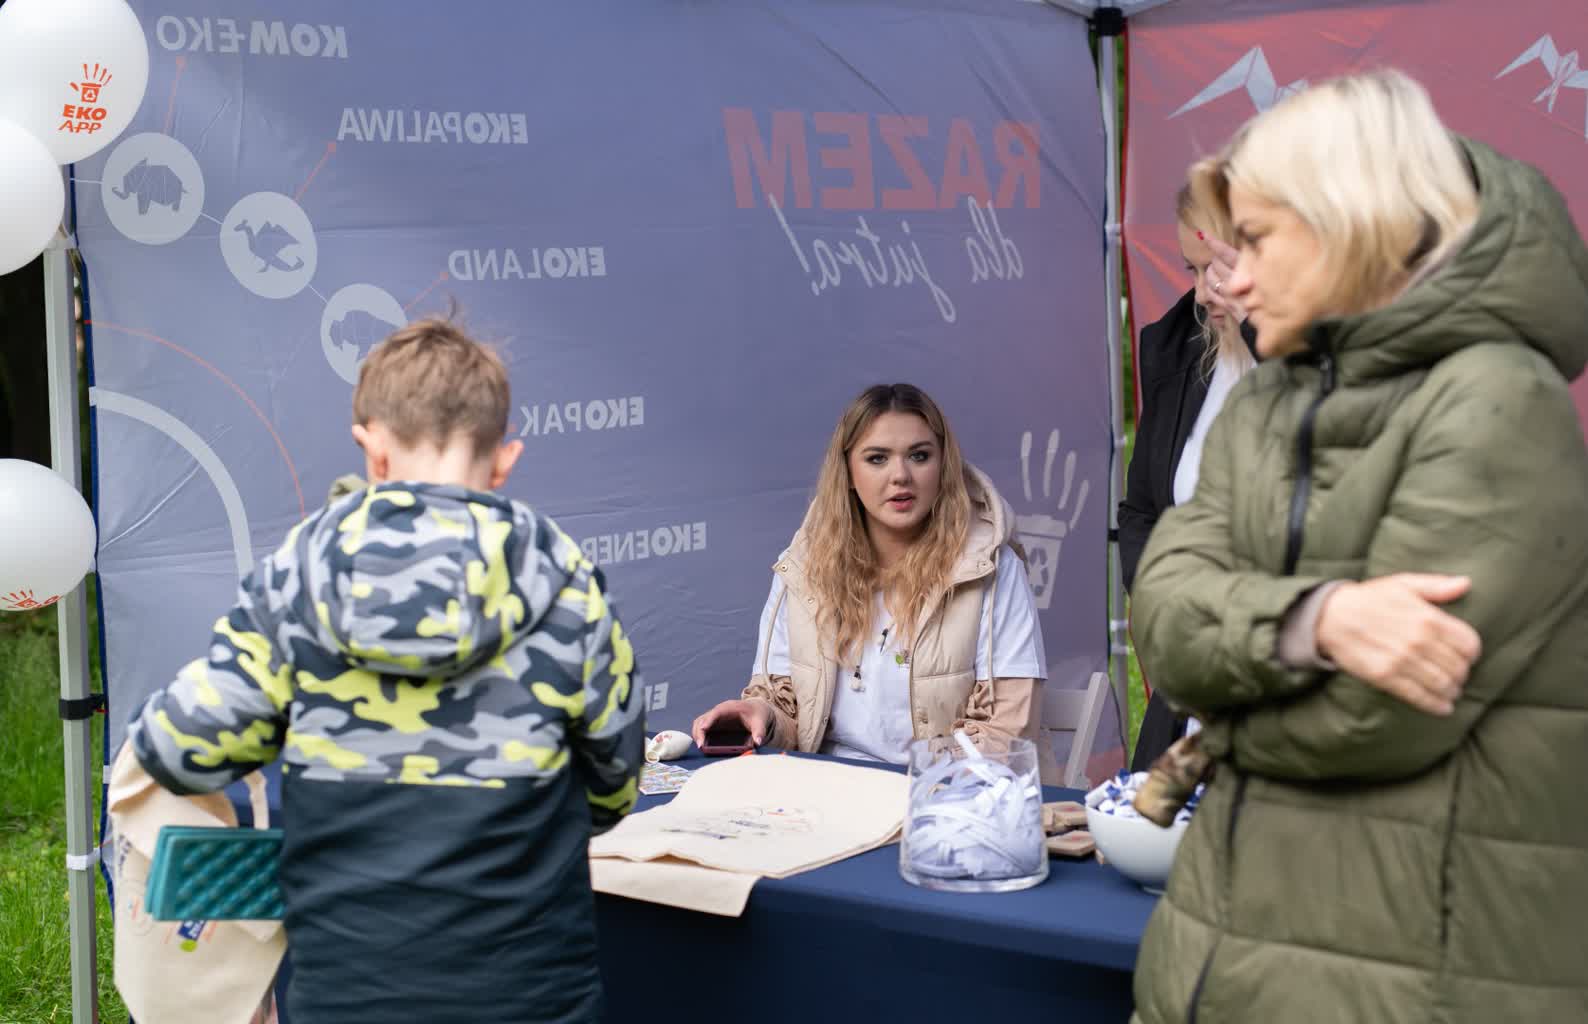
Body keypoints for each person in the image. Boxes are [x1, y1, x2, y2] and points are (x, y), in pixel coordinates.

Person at [1129, 68, 1588, 1022]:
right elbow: (1160, 620)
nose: (1231, 280)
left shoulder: (1499, 401)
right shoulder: (1265, 398)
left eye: (1257, 240)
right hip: (1226, 954)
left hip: (1415, 971)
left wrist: (1214, 737)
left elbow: (1385, 715)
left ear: (1349, 221)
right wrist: (1316, 621)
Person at [126, 318, 645, 1024]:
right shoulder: (568, 586)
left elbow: (179, 750)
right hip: (532, 995)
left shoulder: (297, 577)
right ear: (503, 461)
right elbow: (614, 788)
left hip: (348, 994)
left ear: (371, 449)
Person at [691, 383, 1055, 780]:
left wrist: (912, 796)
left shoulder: (990, 568)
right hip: (825, 792)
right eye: (877, 458)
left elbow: (1006, 733)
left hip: (940, 796)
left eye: (920, 456)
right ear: (848, 472)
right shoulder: (804, 568)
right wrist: (760, 713)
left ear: (943, 467)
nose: (901, 476)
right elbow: (790, 711)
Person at [1119, 184, 1257, 772]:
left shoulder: (1344, 361)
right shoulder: (1178, 352)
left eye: (1218, 270)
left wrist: (1266, 332)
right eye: (1192, 270)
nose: (1202, 292)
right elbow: (1142, 511)